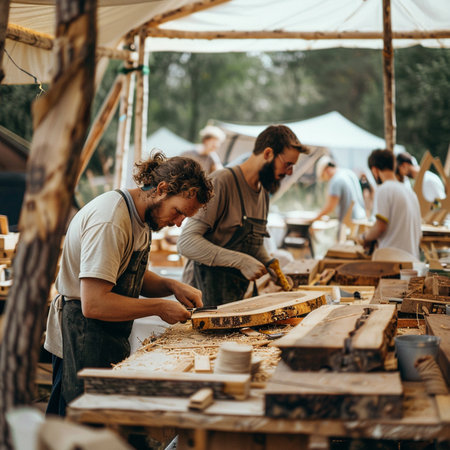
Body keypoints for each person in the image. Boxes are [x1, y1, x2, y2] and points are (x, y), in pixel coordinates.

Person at [44, 152, 214, 416]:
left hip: (107, 333)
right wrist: (159, 307)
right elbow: (95, 303)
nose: (178, 224)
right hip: (83, 331)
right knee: (80, 423)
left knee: (108, 421)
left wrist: (171, 286)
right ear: (161, 189)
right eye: (178, 212)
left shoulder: (143, 217)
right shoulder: (111, 220)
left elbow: (127, 274)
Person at [177, 125, 309, 306]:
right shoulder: (221, 182)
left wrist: (270, 264)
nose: (289, 172)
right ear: (268, 153)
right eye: (288, 164)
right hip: (203, 298)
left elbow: (253, 243)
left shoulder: (263, 191)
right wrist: (241, 261)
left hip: (233, 296)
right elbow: (186, 243)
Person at [359, 149, 422, 259]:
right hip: (412, 259)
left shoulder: (384, 189)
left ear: (374, 170)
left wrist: (364, 237)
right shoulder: (409, 192)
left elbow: (380, 226)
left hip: (393, 261)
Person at [312, 156, 366, 230]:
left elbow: (330, 206)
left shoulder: (336, 180)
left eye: (324, 177)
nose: (327, 180)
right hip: (361, 218)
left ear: (326, 170)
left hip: (350, 223)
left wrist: (315, 218)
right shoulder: (348, 173)